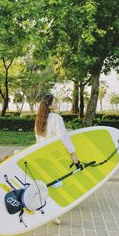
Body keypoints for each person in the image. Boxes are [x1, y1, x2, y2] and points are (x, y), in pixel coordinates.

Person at [35, 93, 80, 225]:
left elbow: (37, 139)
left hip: (42, 155)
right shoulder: (56, 118)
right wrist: (73, 153)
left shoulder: (39, 119)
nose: (57, 103)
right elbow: (64, 137)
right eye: (55, 101)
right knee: (57, 184)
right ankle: (53, 213)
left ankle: (49, 210)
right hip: (54, 155)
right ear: (49, 105)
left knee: (49, 183)